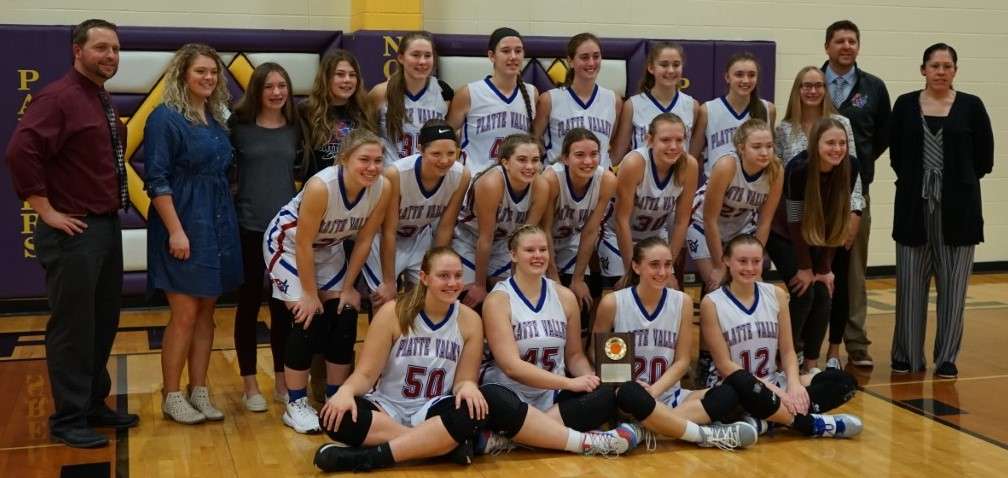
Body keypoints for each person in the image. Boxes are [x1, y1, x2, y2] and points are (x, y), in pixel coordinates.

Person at [482, 225, 751, 452]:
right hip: (515, 394)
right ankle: (695, 435)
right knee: (494, 399)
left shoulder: (564, 297)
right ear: (513, 254)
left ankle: (521, 437)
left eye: (543, 249)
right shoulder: (499, 299)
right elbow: (510, 366)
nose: (538, 255)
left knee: (604, 396)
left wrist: (589, 381)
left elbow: (575, 355)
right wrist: (572, 382)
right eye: (530, 250)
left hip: (561, 397)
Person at [6, 18, 137, 448]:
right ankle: (67, 418)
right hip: (74, 232)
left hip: (103, 227)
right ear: (77, 51)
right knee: (73, 327)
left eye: (115, 49)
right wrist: (45, 210)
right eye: (101, 48)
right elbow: (20, 152)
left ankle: (92, 404)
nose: (110, 56)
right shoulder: (58, 98)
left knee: (102, 322)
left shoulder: (97, 97)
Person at [314, 247, 487, 471]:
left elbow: (464, 380)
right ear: (424, 278)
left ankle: (370, 457)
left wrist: (469, 387)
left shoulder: (470, 319)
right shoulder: (392, 312)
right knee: (332, 416)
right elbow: (366, 374)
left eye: (458, 276)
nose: (452, 283)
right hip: (388, 409)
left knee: (471, 412)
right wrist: (345, 392)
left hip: (433, 410)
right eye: (443, 276)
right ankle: (439, 447)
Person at [263, 130, 391, 433]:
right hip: (289, 246)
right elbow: (304, 242)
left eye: (377, 160)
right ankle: (295, 404)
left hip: (329, 248)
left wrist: (347, 288)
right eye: (364, 160)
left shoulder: (382, 187)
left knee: (345, 315)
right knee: (309, 317)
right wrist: (309, 294)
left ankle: (336, 397)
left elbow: (363, 241)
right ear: (344, 159)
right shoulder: (322, 186)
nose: (372, 167)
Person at [145, 43, 242, 425]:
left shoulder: (217, 118)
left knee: (207, 313)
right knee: (184, 312)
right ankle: (171, 394)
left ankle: (198, 390)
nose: (208, 77)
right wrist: (175, 231)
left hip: (217, 220)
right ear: (183, 74)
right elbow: (156, 179)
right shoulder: (164, 118)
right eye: (200, 71)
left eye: (213, 72)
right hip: (183, 221)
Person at [594, 237, 760, 450]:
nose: (663, 272)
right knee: (629, 392)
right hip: (629, 399)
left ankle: (643, 430)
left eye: (668, 265)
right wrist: (641, 393)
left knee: (730, 392)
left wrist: (653, 392)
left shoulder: (682, 301)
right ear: (636, 266)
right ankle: (705, 435)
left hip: (669, 394)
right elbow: (602, 362)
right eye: (654, 265)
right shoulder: (614, 303)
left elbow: (682, 361)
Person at [889, 43, 994, 378]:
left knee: (953, 287)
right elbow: (896, 156)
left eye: (947, 66)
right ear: (923, 70)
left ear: (955, 71)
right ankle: (907, 354)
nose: (940, 71)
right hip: (912, 209)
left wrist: (952, 185)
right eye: (934, 66)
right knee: (910, 285)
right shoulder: (905, 105)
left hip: (958, 212)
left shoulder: (972, 107)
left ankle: (947, 356)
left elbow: (984, 159)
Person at [701, 234, 863, 438]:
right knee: (735, 392)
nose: (749, 268)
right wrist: (779, 394)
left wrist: (794, 386)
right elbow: (725, 366)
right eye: (742, 261)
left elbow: (787, 351)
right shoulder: (712, 302)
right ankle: (808, 423)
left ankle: (763, 423)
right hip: (737, 388)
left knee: (844, 382)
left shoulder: (775, 294)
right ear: (726, 261)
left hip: (773, 381)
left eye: (756, 262)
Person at [229, 62, 301, 411]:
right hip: (248, 226)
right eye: (269, 86)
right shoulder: (238, 127)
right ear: (256, 90)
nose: (276, 92)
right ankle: (249, 384)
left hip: (284, 232)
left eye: (282, 85)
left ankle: (282, 381)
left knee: (281, 309)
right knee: (247, 306)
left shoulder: (294, 127)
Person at [822, 20, 892, 368]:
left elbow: (881, 138)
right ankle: (807, 347)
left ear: (858, 47)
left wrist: (858, 168)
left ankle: (857, 344)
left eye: (852, 41)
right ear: (827, 47)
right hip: (813, 196)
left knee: (853, 271)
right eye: (839, 41)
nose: (846, 46)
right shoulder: (812, 83)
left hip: (855, 195)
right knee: (810, 269)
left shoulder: (874, 88)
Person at [767, 118, 861, 372]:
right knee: (803, 292)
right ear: (815, 144)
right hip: (784, 235)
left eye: (842, 143)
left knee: (823, 294)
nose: (837, 149)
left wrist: (824, 268)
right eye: (830, 143)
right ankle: (784, 360)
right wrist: (806, 267)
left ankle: (811, 364)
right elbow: (795, 221)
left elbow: (837, 219)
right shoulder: (799, 169)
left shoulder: (850, 166)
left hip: (818, 236)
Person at [363, 120, 470, 308]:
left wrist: (437, 267)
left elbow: (445, 227)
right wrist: (389, 282)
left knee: (427, 299)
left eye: (451, 153)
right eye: (436, 154)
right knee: (385, 301)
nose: (444, 160)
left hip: (419, 237)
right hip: (383, 239)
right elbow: (388, 230)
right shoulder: (395, 174)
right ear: (420, 150)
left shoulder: (461, 175)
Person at [599, 113, 698, 288]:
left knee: (669, 288)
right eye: (665, 140)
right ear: (649, 140)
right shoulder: (634, 163)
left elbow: (682, 222)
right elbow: (621, 220)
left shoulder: (689, 166)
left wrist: (668, 266)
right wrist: (632, 270)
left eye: (679, 140)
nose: (673, 146)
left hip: (655, 237)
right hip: (617, 236)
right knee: (626, 289)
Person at [451, 134, 549, 308]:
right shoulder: (491, 183)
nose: (530, 166)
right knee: (471, 300)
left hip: (504, 243)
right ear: (505, 162)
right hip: (469, 240)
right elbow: (485, 238)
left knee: (514, 298)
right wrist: (480, 285)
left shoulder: (541, 186)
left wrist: (516, 285)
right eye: (522, 160)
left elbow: (526, 237)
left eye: (535, 160)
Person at [687, 118, 782, 295]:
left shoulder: (776, 170)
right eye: (757, 146)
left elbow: (764, 223)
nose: (764, 152)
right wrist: (720, 265)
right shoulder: (727, 165)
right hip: (702, 225)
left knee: (750, 286)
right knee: (717, 287)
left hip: (740, 228)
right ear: (741, 148)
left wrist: (756, 262)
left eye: (769, 146)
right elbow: (710, 220)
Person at [540, 128, 616, 335]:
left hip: (569, 239)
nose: (588, 161)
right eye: (579, 155)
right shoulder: (551, 179)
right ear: (565, 158)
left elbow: (590, 231)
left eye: (593, 154)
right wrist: (553, 277)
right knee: (551, 292)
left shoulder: (607, 180)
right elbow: (543, 229)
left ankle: (583, 347)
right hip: (541, 243)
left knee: (586, 291)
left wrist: (578, 278)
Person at [447, 27, 538, 173]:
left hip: (517, 181)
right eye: (506, 51)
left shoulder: (532, 93)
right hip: (476, 179)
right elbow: (447, 137)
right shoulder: (468, 93)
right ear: (492, 56)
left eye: (518, 51)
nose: (513, 56)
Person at [532, 32, 620, 169]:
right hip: (558, 181)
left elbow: (613, 143)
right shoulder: (549, 99)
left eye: (596, 56)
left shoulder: (614, 100)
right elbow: (534, 142)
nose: (591, 62)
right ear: (571, 61)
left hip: (598, 182)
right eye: (584, 57)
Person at [369, 31, 453, 165]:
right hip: (390, 173)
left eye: (428, 55)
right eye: (415, 55)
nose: (422, 61)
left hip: (428, 172)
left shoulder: (444, 92)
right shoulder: (381, 92)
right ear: (401, 58)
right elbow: (365, 133)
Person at [612, 41, 701, 165]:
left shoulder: (693, 106)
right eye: (664, 65)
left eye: (676, 65)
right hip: (641, 180)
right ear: (651, 68)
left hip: (677, 181)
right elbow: (618, 154)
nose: (670, 70)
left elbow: (691, 157)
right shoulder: (633, 105)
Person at [692, 52, 776, 177]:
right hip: (716, 185)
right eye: (739, 74)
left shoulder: (768, 109)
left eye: (751, 75)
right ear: (727, 77)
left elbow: (771, 153)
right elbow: (693, 156)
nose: (746, 80)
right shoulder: (708, 110)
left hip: (754, 188)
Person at [300, 50, 374, 177]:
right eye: (340, 74)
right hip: (318, 189)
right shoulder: (307, 110)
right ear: (326, 78)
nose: (347, 80)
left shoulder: (365, 109)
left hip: (356, 189)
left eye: (352, 75)